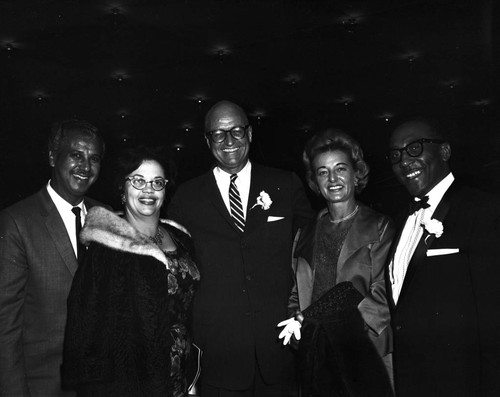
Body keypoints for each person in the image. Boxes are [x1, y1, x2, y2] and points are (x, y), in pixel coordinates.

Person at [168, 100, 313, 396]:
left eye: (236, 131)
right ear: (207, 141)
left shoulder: (285, 184)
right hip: (218, 358)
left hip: (281, 351)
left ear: (250, 134)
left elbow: (310, 256)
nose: (229, 141)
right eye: (218, 134)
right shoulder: (186, 197)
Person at [61, 146, 200, 396]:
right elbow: (85, 326)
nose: (148, 189)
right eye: (138, 181)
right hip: (133, 381)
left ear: (165, 190)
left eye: (157, 182)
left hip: (181, 375)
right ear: (123, 190)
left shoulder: (181, 238)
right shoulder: (105, 247)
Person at [387, 118, 500, 397]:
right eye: (396, 155)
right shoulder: (400, 219)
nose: (404, 161)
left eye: (414, 149)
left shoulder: (483, 210)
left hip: (461, 382)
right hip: (411, 380)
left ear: (445, 152)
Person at [278, 129, 395, 396]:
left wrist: (337, 332)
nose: (332, 179)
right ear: (315, 180)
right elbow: (296, 293)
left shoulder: (381, 226)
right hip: (315, 352)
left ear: (356, 173)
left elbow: (383, 292)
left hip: (364, 352)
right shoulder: (304, 233)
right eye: (322, 172)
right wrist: (301, 328)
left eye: (340, 169)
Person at [0, 119, 105, 397]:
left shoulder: (106, 217)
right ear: (52, 156)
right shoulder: (17, 221)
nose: (85, 166)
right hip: (43, 386)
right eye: (76, 155)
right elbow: (5, 327)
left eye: (93, 158)